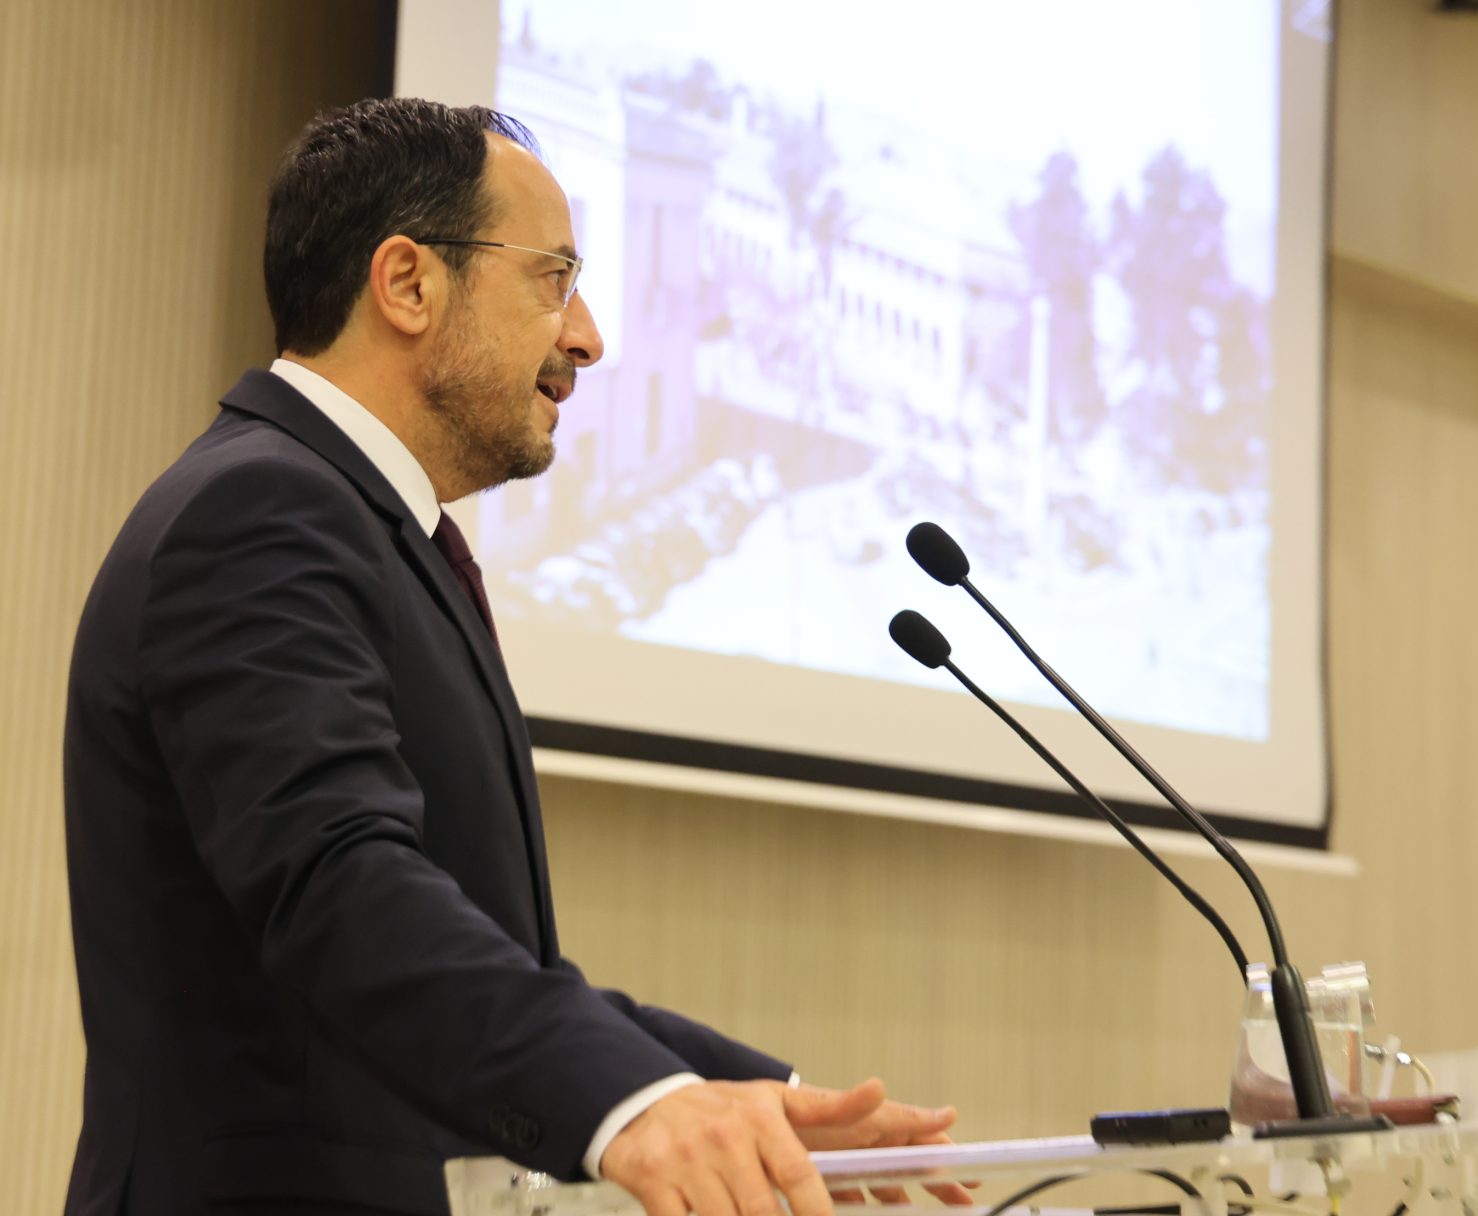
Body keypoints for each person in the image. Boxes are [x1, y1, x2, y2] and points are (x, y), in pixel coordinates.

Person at [62, 97, 966, 1216]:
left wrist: (741, 1096)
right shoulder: (260, 510)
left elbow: (496, 961)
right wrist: (631, 1104)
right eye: (554, 279)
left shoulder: (370, 531)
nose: (588, 336)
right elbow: (340, 888)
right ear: (408, 284)